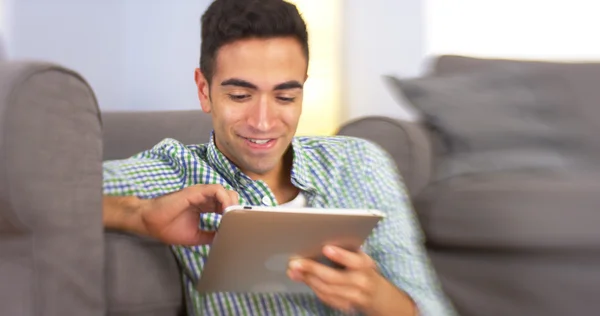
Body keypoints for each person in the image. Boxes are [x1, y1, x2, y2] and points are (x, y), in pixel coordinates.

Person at [102, 0, 456, 315]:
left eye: (285, 97)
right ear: (204, 90)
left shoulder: (359, 164)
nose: (263, 122)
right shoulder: (175, 173)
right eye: (240, 96)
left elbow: (432, 306)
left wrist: (377, 297)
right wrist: (139, 215)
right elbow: (55, 195)